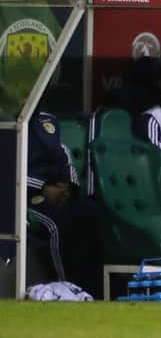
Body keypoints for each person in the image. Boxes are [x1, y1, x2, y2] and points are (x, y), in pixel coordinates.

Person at [27, 110, 102, 297]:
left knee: (91, 215)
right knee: (54, 226)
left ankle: (91, 289)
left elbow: (64, 153)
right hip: (25, 198)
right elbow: (8, 167)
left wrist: (69, 186)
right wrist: (43, 188)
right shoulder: (9, 122)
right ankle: (63, 287)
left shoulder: (48, 118)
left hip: (59, 192)